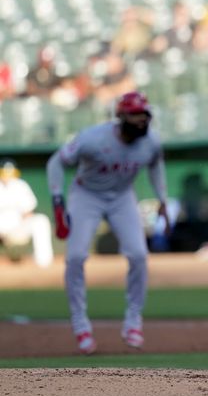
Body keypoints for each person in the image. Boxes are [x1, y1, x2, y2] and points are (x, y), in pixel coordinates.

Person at [46, 91, 169, 355]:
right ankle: (80, 324)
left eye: (144, 114)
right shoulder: (93, 138)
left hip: (122, 196)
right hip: (86, 194)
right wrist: (57, 200)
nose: (141, 120)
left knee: (138, 255)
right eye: (135, 114)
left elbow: (156, 165)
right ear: (121, 116)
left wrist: (163, 199)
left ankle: (134, 321)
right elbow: (56, 161)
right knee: (76, 257)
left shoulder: (151, 142)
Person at [0, 158, 54, 267]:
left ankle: (44, 262)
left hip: (17, 228)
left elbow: (29, 211)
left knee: (41, 220)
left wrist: (17, 226)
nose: (8, 176)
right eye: (5, 173)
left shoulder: (20, 185)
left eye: (11, 173)